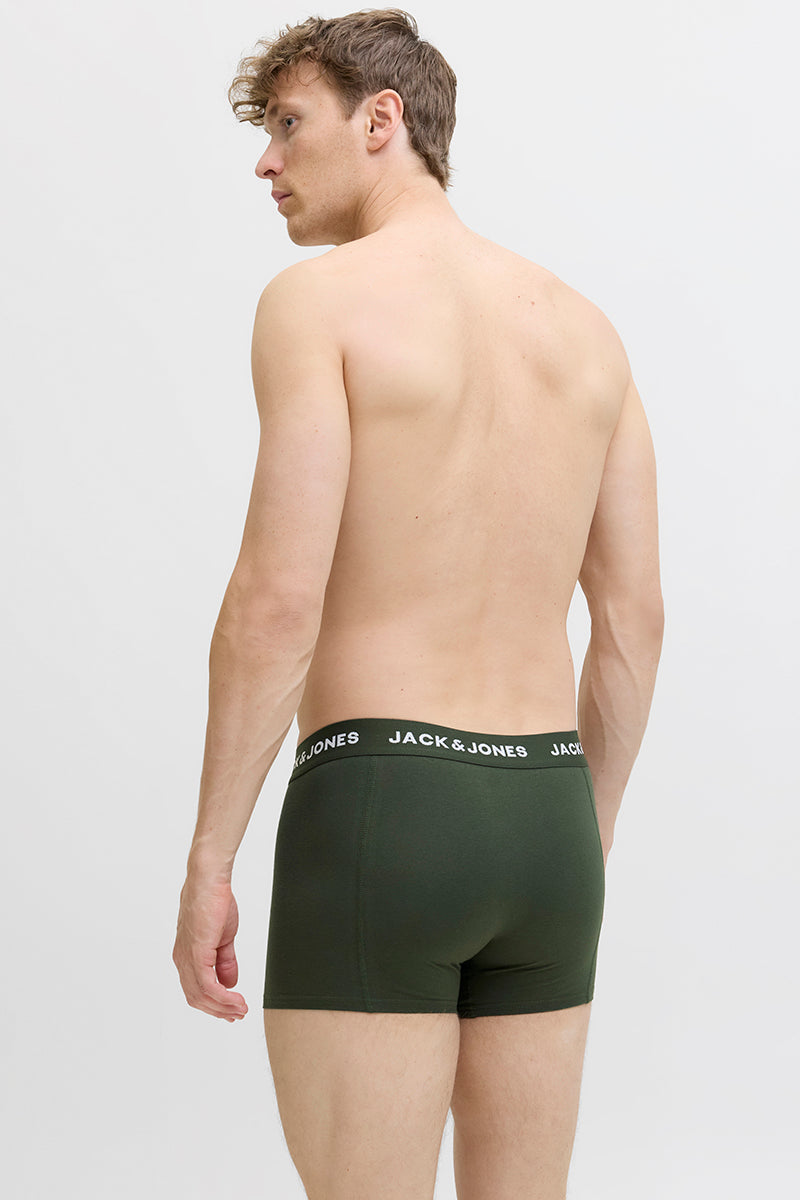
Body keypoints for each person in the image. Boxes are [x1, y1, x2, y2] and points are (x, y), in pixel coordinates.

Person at [172, 9, 664, 1199]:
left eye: (288, 124)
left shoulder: (319, 304)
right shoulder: (587, 335)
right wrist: (581, 839)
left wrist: (209, 858)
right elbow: (632, 622)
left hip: (383, 808)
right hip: (547, 819)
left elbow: (275, 602)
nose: (266, 161)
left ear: (380, 120)